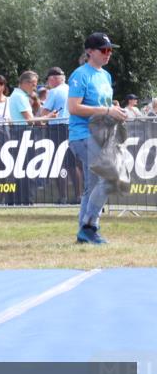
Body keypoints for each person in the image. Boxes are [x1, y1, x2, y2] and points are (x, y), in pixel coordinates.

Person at [67, 32, 127, 244]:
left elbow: (105, 106)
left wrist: (116, 110)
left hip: (101, 135)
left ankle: (83, 234)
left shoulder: (106, 76)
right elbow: (73, 107)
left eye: (110, 50)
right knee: (109, 178)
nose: (108, 54)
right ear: (90, 52)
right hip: (82, 135)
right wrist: (107, 111)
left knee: (91, 187)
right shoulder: (80, 74)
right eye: (104, 50)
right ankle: (90, 226)